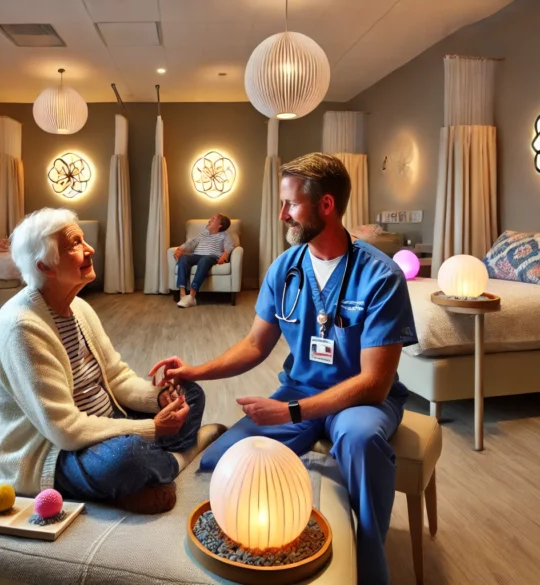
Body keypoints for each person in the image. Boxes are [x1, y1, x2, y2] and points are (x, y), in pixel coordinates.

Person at [151, 153, 417, 584]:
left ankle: (370, 566)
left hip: (359, 401)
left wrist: (292, 413)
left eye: (290, 204)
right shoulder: (286, 268)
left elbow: (374, 382)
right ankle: (285, 528)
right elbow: (256, 345)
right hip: (300, 389)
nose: (281, 215)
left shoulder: (380, 276)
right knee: (219, 461)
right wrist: (194, 371)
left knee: (361, 438)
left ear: (326, 206)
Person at [0, 208, 205, 514]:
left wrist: (158, 398)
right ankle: (179, 459)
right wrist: (153, 428)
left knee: (189, 393)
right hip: (54, 450)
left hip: (105, 425)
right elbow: (66, 431)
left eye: (83, 240)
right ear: (45, 266)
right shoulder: (22, 329)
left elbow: (116, 377)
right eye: (74, 245)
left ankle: (141, 476)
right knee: (127, 457)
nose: (90, 249)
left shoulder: (79, 308)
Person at [173, 212, 234, 308]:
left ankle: (192, 296)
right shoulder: (204, 233)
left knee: (204, 259)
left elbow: (229, 246)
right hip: (197, 255)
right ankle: (183, 295)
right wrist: (181, 249)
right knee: (184, 258)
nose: (209, 220)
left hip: (211, 257)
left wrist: (224, 255)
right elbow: (191, 243)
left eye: (213, 219)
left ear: (220, 225)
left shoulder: (225, 235)